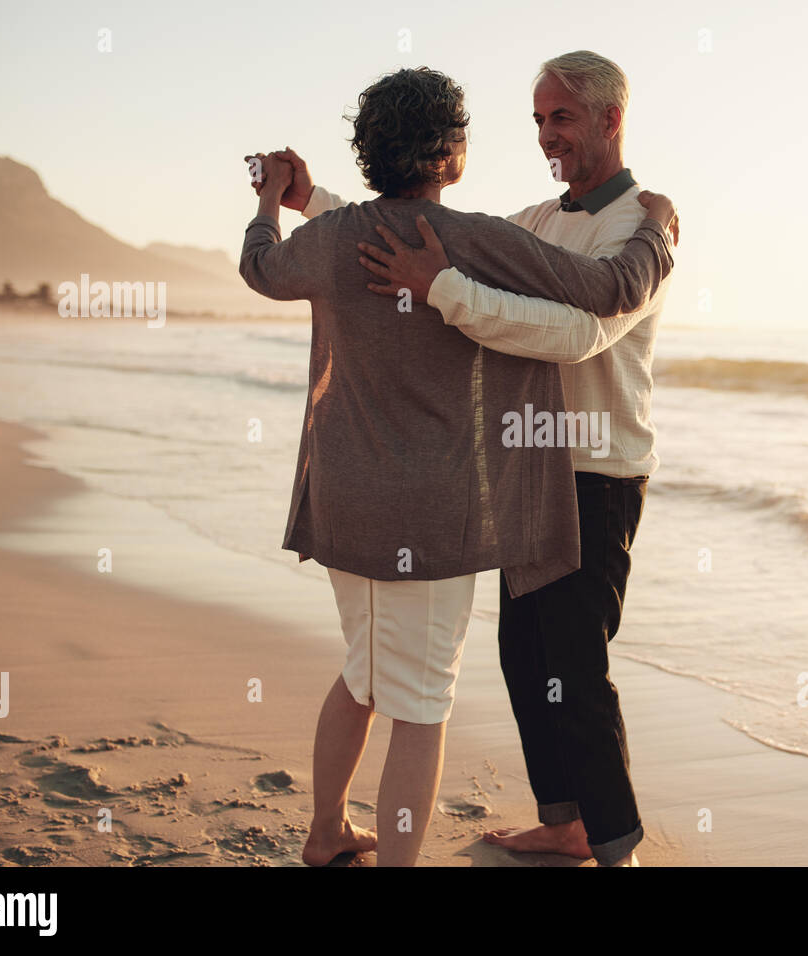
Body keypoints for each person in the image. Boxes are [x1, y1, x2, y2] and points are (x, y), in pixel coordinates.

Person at [240, 65, 676, 867]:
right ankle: (536, 828)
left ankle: (603, 841)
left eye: (560, 116)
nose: (545, 133)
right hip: (472, 492)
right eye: (537, 118)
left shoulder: (346, 240)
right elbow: (593, 285)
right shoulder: (509, 230)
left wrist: (279, 204)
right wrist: (659, 231)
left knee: (444, 672)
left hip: (462, 485)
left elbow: (262, 269)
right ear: (452, 151)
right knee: (459, 686)